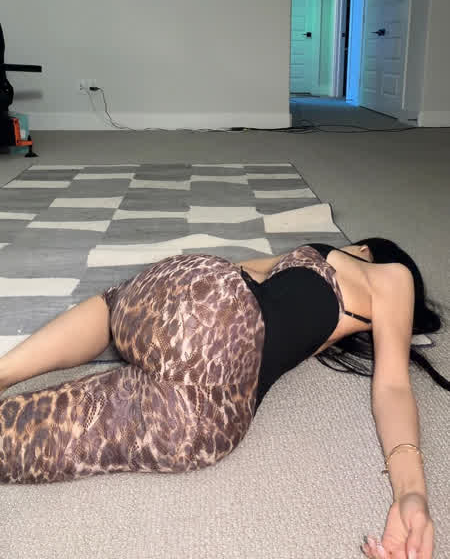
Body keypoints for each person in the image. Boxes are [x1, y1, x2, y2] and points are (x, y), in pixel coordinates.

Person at [0, 238, 446, 558]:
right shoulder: (389, 282)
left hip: (192, 302)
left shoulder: (364, 266)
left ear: (364, 248)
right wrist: (411, 494)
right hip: (203, 414)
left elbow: (239, 270)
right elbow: (391, 386)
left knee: (116, 302)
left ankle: (5, 371)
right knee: (46, 432)